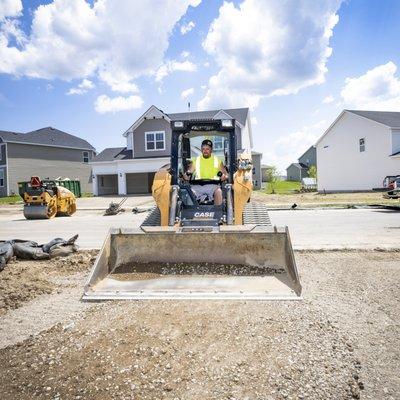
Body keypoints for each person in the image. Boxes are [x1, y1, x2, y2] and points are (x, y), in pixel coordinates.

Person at [183, 139, 228, 205]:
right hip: (197, 186)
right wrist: (186, 175)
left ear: (211, 150)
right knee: (188, 193)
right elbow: (187, 175)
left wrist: (223, 176)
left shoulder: (217, 161)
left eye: (207, 149)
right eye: (203, 149)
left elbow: (226, 175)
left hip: (213, 186)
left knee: (218, 192)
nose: (205, 151)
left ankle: (218, 212)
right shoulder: (196, 161)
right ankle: (188, 214)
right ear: (201, 149)